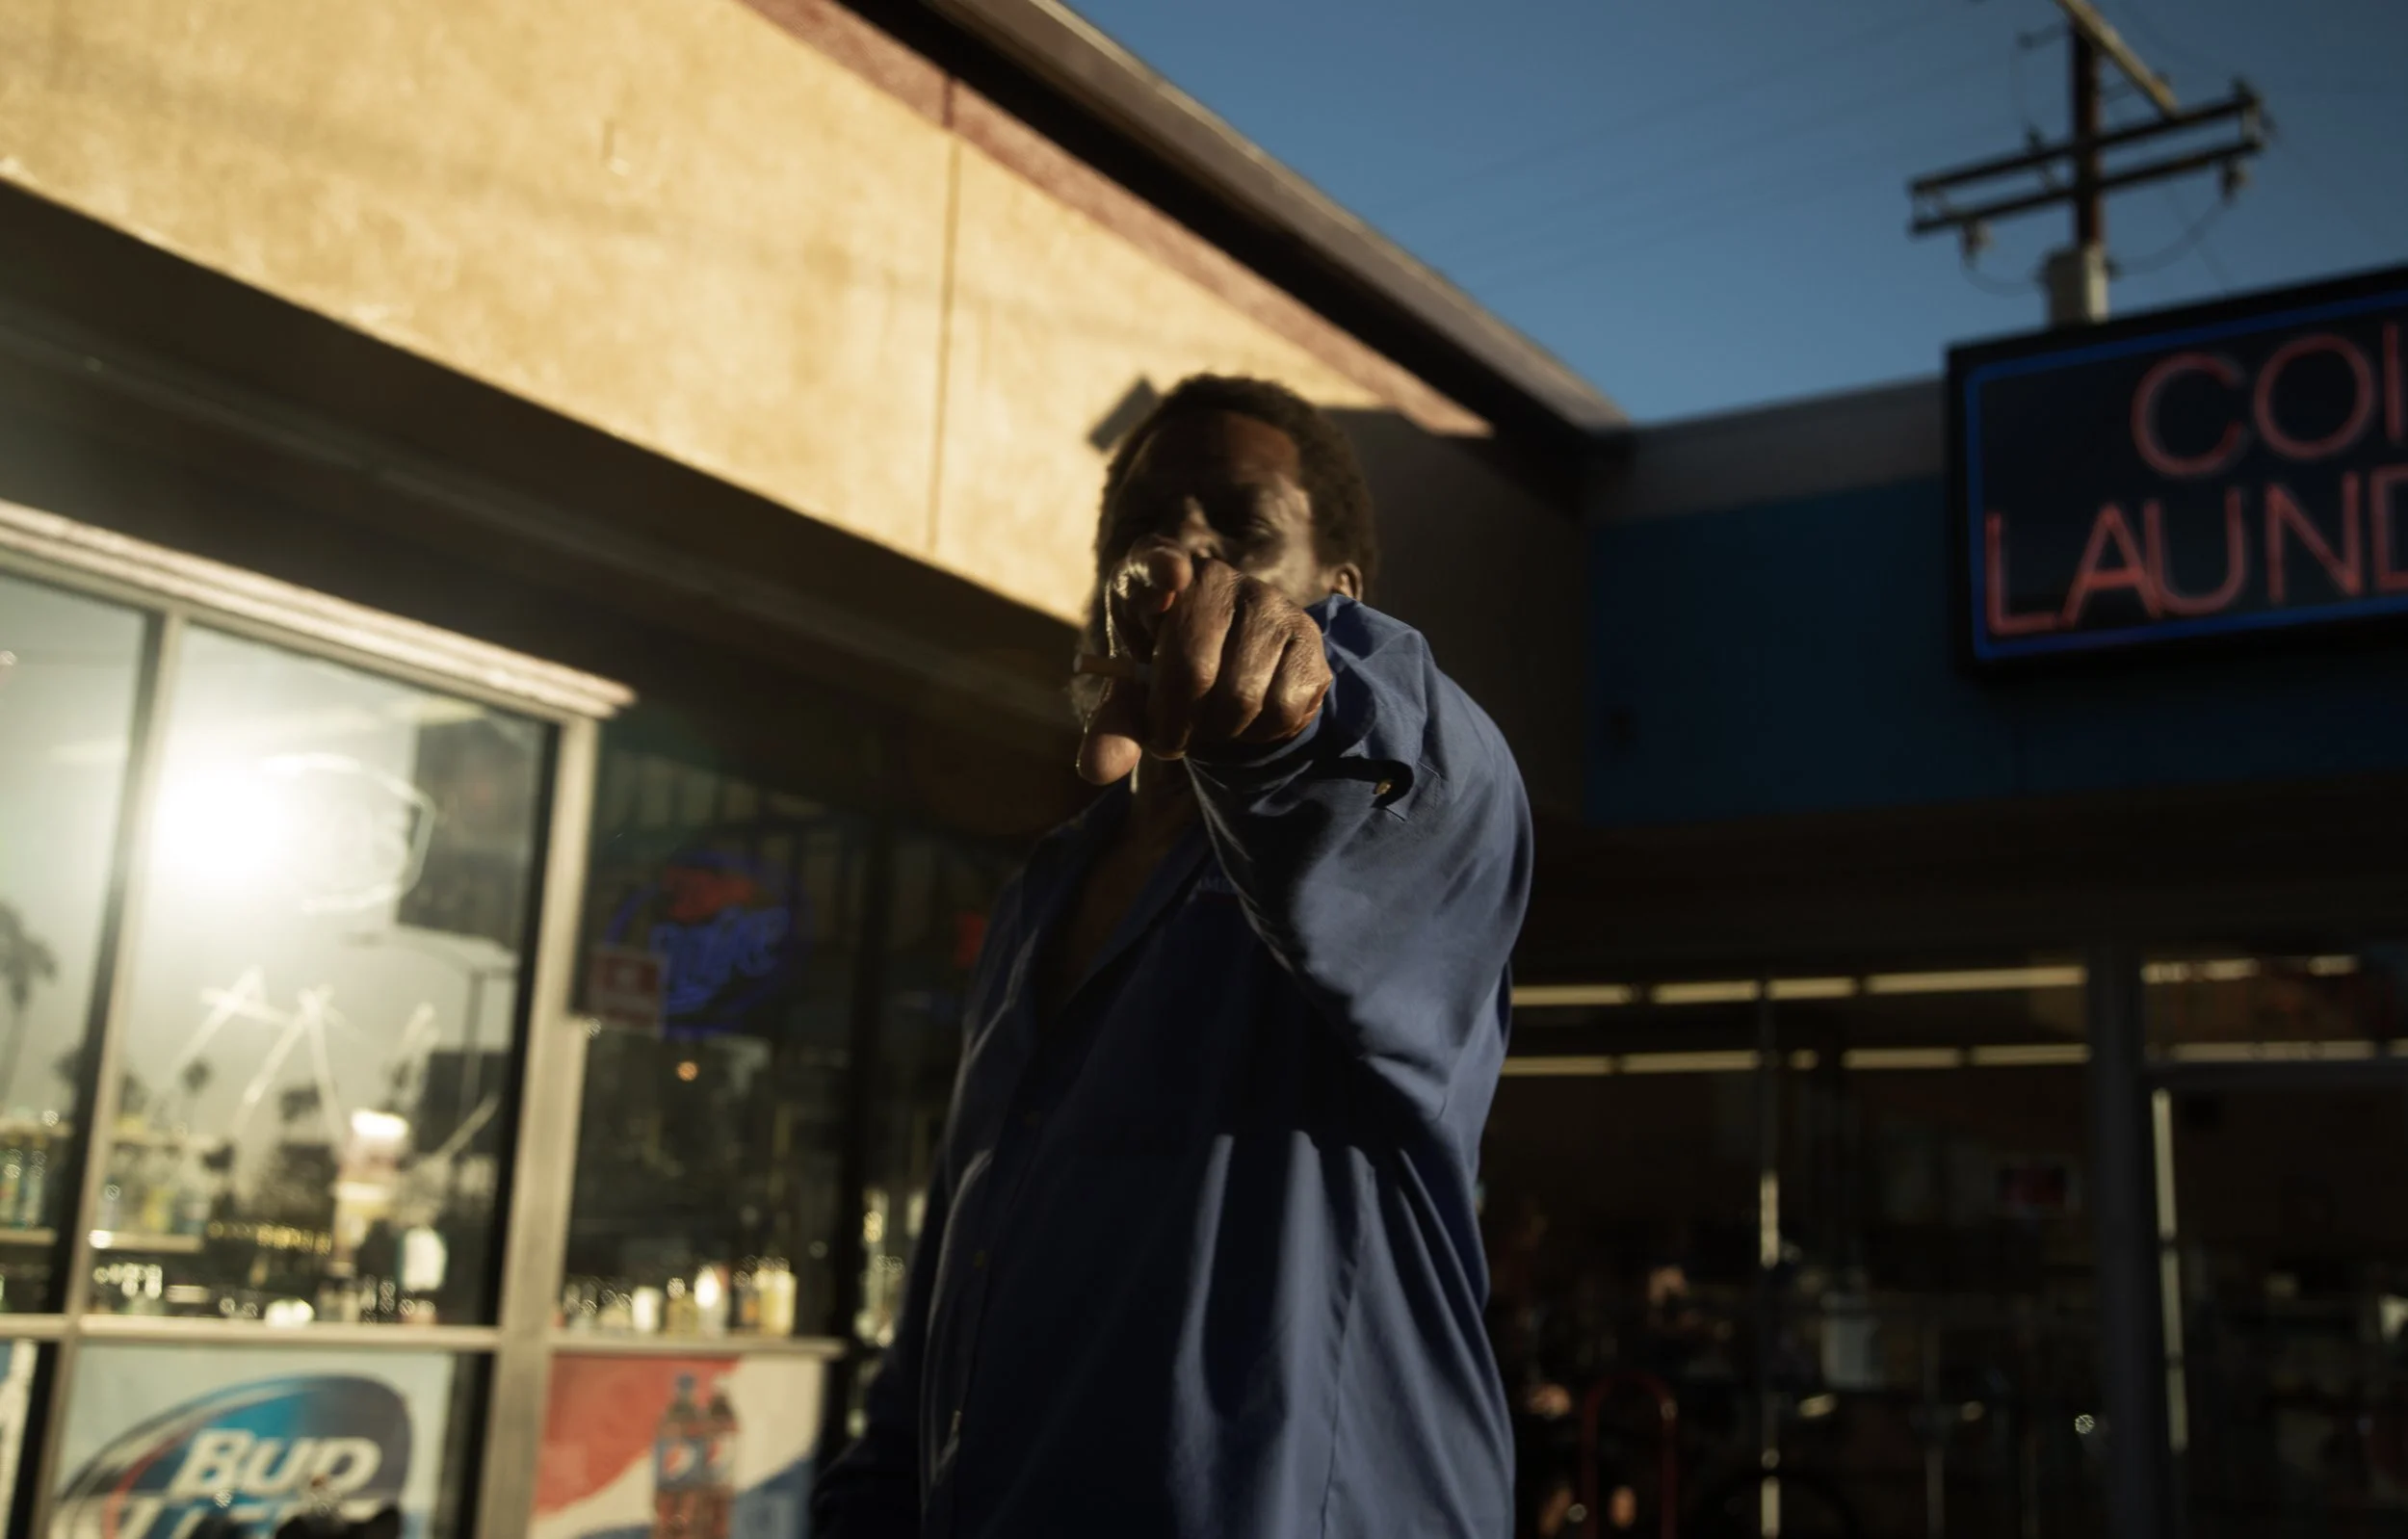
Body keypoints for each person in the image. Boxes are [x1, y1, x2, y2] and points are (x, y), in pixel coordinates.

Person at [812, 375, 1532, 1537]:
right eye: (1143, 521)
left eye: (1242, 526)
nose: (1181, 543)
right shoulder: (1036, 899)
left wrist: (1306, 712)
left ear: (1338, 597)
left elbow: (1407, 770)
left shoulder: (1406, 827)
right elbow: (962, 1281)